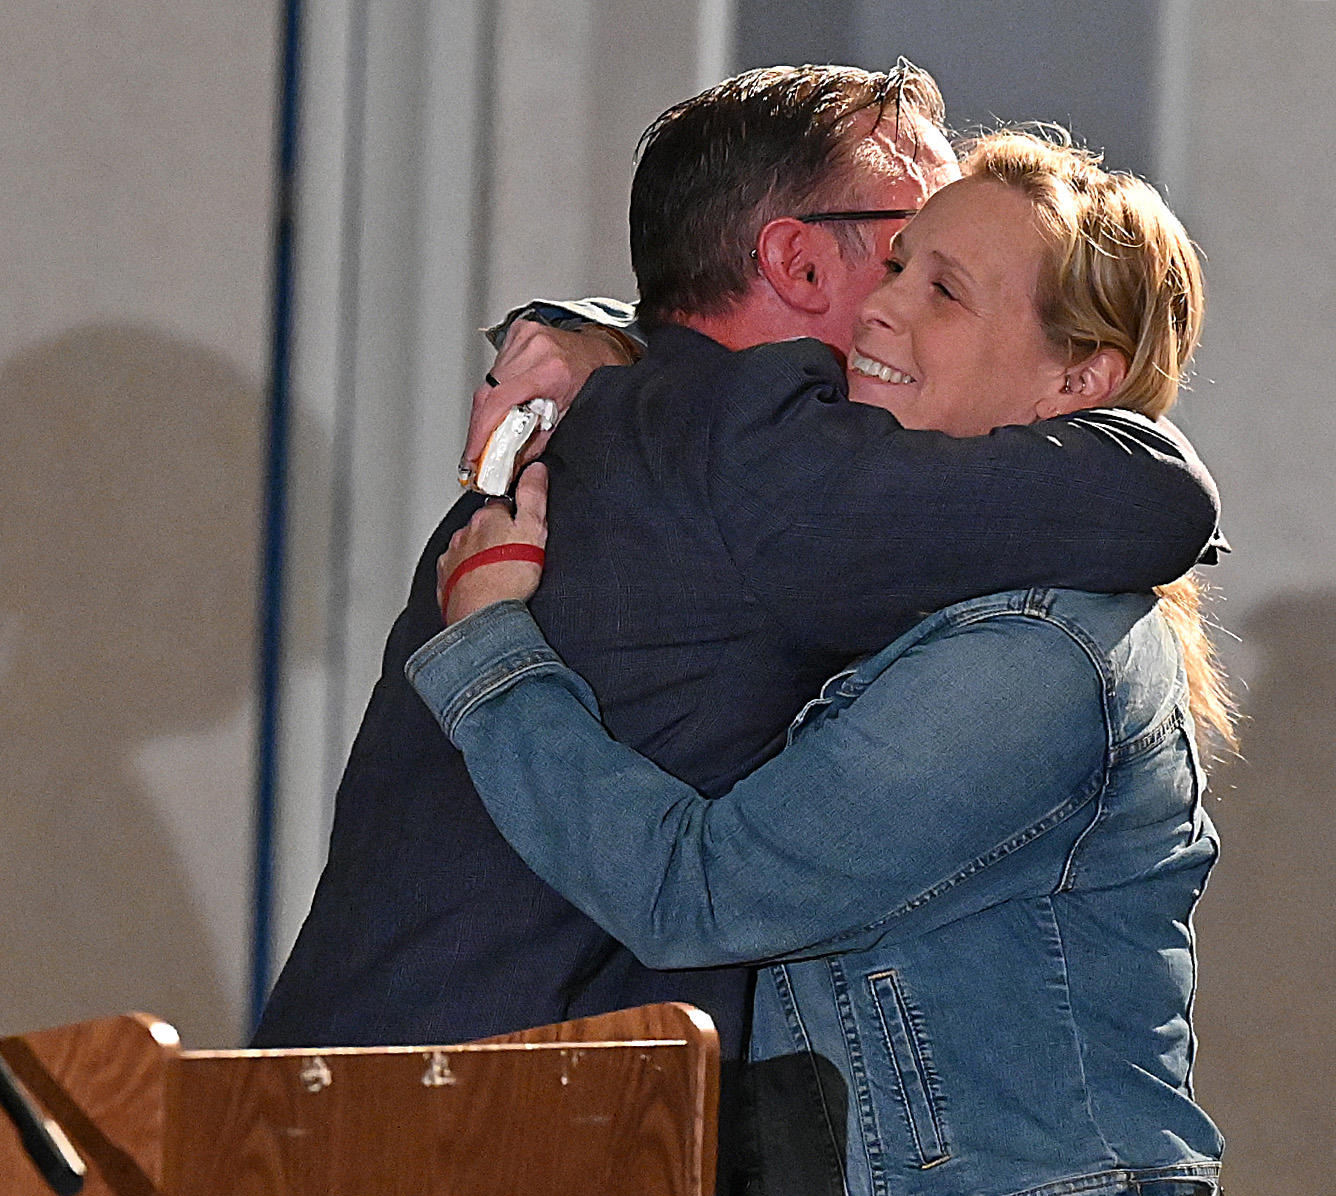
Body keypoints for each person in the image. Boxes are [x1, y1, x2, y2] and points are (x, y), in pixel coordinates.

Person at [412, 133, 1269, 1196]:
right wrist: (605, 342)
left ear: (1077, 383)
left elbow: (705, 886)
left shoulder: (1039, 650)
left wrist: (493, 656)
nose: (878, 306)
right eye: (891, 264)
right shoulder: (925, 596)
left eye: (944, 290)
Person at [253, 62, 1220, 1081]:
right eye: (904, 252)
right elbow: (1157, 499)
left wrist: (597, 331)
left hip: (379, 1109)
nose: (899, 299)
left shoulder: (647, 426)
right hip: (446, 1147)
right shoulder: (764, 461)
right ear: (800, 267)